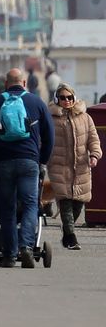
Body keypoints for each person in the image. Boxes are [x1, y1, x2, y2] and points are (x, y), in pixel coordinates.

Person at [0, 68, 54, 268]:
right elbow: (49, 136)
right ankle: (27, 247)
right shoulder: (36, 102)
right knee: (31, 205)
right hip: (29, 161)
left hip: (3, 162)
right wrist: (42, 160)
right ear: (24, 83)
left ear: (6, 83)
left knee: (7, 208)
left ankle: (10, 255)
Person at [47, 83, 101, 250]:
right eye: (62, 98)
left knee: (78, 202)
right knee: (65, 201)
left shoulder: (85, 117)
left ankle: (67, 228)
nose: (66, 101)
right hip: (59, 166)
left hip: (81, 167)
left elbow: (94, 139)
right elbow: (43, 140)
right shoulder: (50, 118)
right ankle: (71, 237)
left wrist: (94, 155)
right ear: (57, 99)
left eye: (69, 97)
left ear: (74, 98)